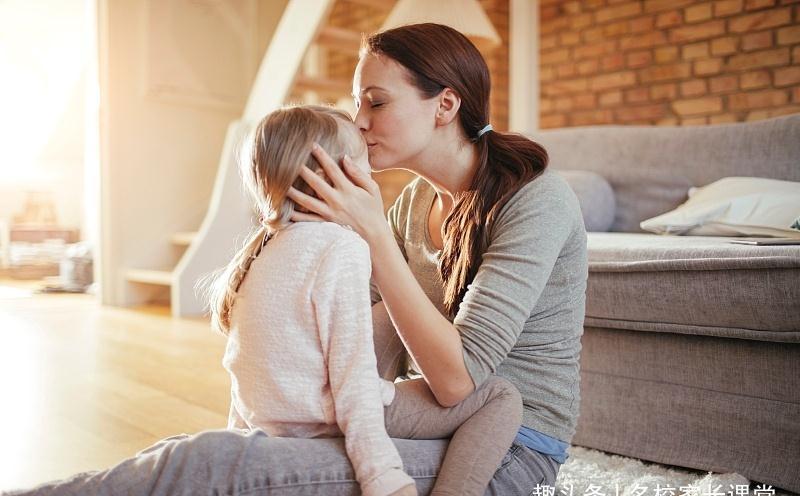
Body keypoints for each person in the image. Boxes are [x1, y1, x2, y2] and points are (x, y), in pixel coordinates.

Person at [4, 23, 587, 496]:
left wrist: (373, 238)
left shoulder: (536, 200)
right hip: (424, 414)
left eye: (377, 102)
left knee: (212, 465)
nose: (358, 120)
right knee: (224, 453)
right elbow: (362, 335)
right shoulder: (414, 203)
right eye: (358, 102)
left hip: (506, 447)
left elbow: (461, 384)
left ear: (446, 104)